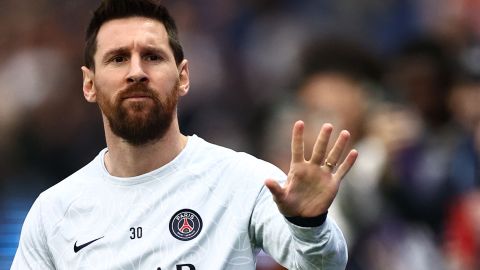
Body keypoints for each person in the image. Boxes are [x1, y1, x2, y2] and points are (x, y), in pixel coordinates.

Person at [11, 0, 357, 269]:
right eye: (118, 59)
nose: (136, 72)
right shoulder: (53, 212)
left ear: (183, 77)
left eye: (152, 56)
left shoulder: (244, 180)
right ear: (89, 83)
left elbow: (322, 265)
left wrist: (308, 224)